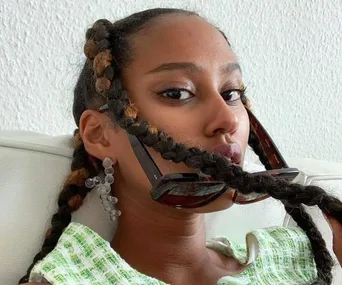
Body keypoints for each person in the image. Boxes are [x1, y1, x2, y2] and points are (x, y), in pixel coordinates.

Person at [19, 8, 342, 285]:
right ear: (100, 134)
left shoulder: (299, 256)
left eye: (231, 93)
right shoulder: (71, 278)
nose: (226, 120)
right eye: (177, 93)